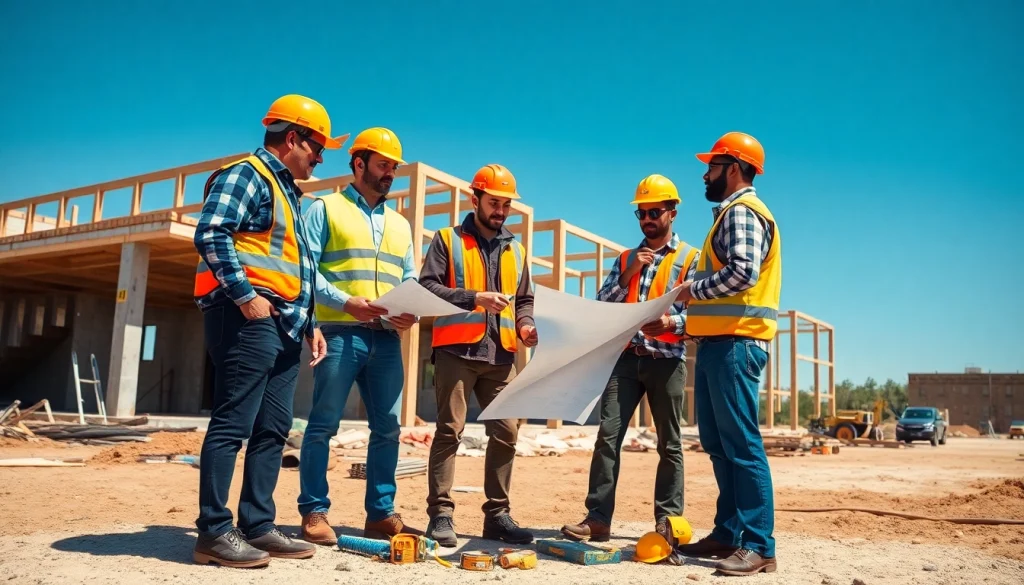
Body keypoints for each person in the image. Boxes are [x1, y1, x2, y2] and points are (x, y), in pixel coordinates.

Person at [191, 94, 335, 568]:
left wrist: (310, 323)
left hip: (285, 323)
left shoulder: (288, 192)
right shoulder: (247, 175)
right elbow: (211, 232)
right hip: (247, 318)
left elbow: (296, 267)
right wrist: (244, 296)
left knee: (273, 428)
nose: (320, 157)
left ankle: (257, 525)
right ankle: (214, 531)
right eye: (317, 147)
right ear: (292, 138)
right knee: (233, 423)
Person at [297, 127, 423, 544]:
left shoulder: (400, 224)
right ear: (358, 163)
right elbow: (305, 271)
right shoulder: (325, 209)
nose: (389, 173)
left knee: (388, 429)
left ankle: (381, 514)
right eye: (383, 164)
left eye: (393, 167)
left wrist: (410, 311)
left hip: (386, 339)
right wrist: (345, 301)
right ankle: (314, 511)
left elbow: (409, 278)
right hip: (339, 334)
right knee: (323, 426)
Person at [561, 174, 700, 543]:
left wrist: (671, 323)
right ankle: (597, 519)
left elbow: (701, 314)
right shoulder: (625, 258)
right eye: (642, 213)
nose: (647, 219)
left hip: (666, 360)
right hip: (625, 359)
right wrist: (629, 273)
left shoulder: (691, 258)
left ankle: (668, 522)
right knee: (607, 436)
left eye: (654, 212)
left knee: (670, 443)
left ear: (672, 212)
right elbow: (603, 305)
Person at [675, 132, 781, 577]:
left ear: (733, 168)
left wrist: (690, 290)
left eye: (712, 166)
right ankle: (729, 533)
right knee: (720, 444)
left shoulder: (741, 212)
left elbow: (742, 273)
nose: (705, 174)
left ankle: (759, 546)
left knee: (742, 445)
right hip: (719, 344)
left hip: (736, 344)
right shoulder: (728, 215)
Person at [418, 164, 538, 547]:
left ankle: (497, 516)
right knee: (449, 431)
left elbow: (525, 300)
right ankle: (440, 515)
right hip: (455, 351)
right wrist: (474, 299)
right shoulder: (447, 239)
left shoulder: (517, 249)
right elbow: (427, 287)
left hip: (500, 355)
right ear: (476, 199)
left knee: (507, 431)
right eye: (494, 203)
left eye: (506, 204)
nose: (500, 211)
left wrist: (525, 326)